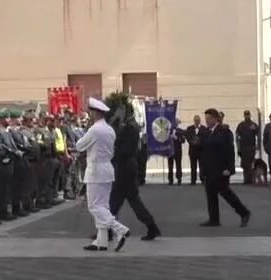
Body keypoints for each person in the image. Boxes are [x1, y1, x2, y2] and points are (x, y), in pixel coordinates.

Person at [74, 98, 129, 252]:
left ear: (95, 113)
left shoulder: (94, 129)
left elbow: (79, 146)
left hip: (96, 171)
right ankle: (102, 241)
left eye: (91, 112)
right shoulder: (109, 129)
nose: (90, 114)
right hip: (107, 169)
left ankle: (120, 229)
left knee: (94, 206)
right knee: (103, 206)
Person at [107, 95, 161, 241]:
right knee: (117, 203)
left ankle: (151, 227)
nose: (117, 113)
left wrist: (113, 155)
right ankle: (107, 230)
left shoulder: (131, 128)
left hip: (126, 170)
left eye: (120, 111)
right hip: (123, 170)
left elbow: (127, 149)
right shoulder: (124, 126)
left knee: (123, 203)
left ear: (126, 112)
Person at [198, 108, 251, 227]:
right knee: (211, 195)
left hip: (221, 169)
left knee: (226, 194)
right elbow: (203, 150)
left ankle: (244, 213)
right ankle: (214, 219)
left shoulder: (224, 131)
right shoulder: (206, 132)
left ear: (216, 119)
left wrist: (229, 168)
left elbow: (229, 152)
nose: (207, 121)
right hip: (209, 169)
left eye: (209, 119)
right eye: (206, 119)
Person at [235, 110, 259, 184]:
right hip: (243, 147)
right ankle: (246, 179)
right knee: (245, 164)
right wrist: (238, 147)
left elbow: (258, 135)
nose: (247, 116)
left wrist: (257, 146)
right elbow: (237, 136)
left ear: (250, 115)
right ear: (244, 116)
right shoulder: (241, 125)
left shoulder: (253, 125)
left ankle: (251, 179)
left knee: (251, 164)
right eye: (245, 115)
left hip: (251, 147)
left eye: (248, 115)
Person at [185, 115, 205, 185]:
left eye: (198, 120)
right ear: (194, 120)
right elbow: (187, 137)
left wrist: (199, 143)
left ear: (200, 120)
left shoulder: (204, 128)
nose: (197, 121)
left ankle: (203, 179)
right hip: (192, 150)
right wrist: (192, 142)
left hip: (201, 150)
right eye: (196, 120)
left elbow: (205, 138)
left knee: (202, 166)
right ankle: (193, 180)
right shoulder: (189, 128)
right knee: (193, 166)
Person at [167, 118, 187, 185]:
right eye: (173, 122)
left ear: (177, 123)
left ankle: (179, 178)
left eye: (176, 122)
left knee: (178, 165)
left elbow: (183, 141)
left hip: (178, 150)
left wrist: (177, 138)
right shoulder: (168, 131)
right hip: (170, 150)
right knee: (170, 166)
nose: (174, 124)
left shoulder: (180, 131)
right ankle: (170, 179)